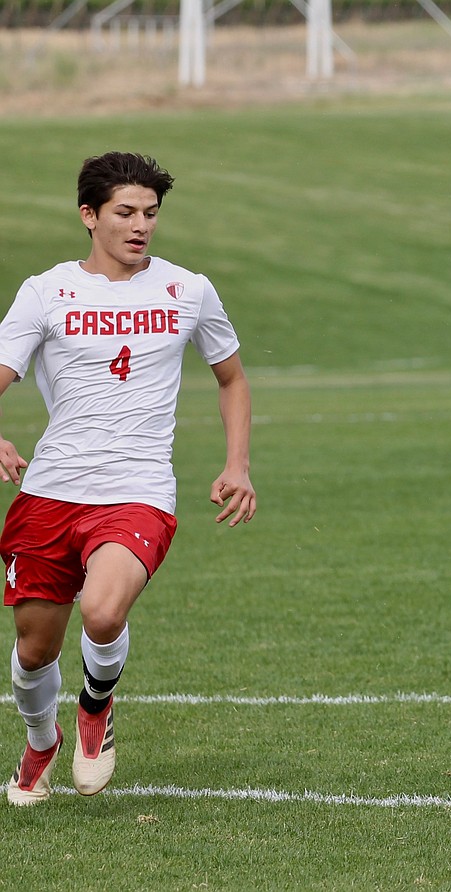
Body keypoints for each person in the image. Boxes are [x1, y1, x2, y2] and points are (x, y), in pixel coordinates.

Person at [0, 152, 257, 806]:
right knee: (34, 652)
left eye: (150, 213)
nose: (141, 225)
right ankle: (39, 740)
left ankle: (95, 706)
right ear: (89, 216)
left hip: (138, 490)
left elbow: (232, 379)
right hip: (51, 491)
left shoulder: (188, 290)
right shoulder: (46, 292)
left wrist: (237, 464)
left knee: (104, 609)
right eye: (125, 213)